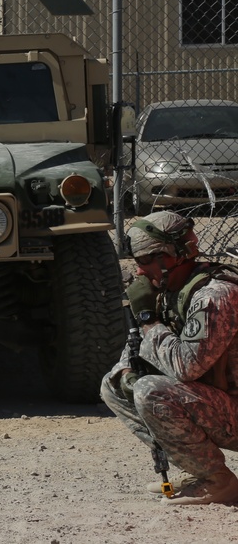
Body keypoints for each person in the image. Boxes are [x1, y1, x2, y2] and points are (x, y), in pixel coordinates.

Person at [100, 210, 238, 505]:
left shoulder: (215, 295)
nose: (138, 272)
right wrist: (127, 373)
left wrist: (149, 319)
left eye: (144, 261)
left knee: (151, 391)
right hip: (221, 403)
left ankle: (218, 482)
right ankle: (201, 469)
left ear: (174, 255)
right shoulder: (167, 291)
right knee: (113, 385)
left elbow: (186, 366)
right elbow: (133, 354)